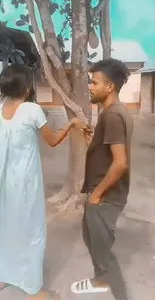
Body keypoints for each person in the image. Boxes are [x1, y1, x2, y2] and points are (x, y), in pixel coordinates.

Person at [0, 64, 88, 300]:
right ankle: (35, 290)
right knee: (32, 232)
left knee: (6, 227)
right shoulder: (31, 110)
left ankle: (5, 275)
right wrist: (70, 125)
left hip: (4, 183)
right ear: (27, 86)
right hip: (26, 184)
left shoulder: (0, 109)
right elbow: (52, 141)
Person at [71, 58, 133, 300]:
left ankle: (117, 292)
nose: (90, 86)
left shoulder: (113, 116)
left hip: (106, 196)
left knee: (104, 253)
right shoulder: (114, 112)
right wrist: (91, 141)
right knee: (90, 236)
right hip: (104, 194)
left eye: (94, 82)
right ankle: (99, 279)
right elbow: (107, 154)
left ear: (110, 87)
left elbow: (120, 163)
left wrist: (96, 195)